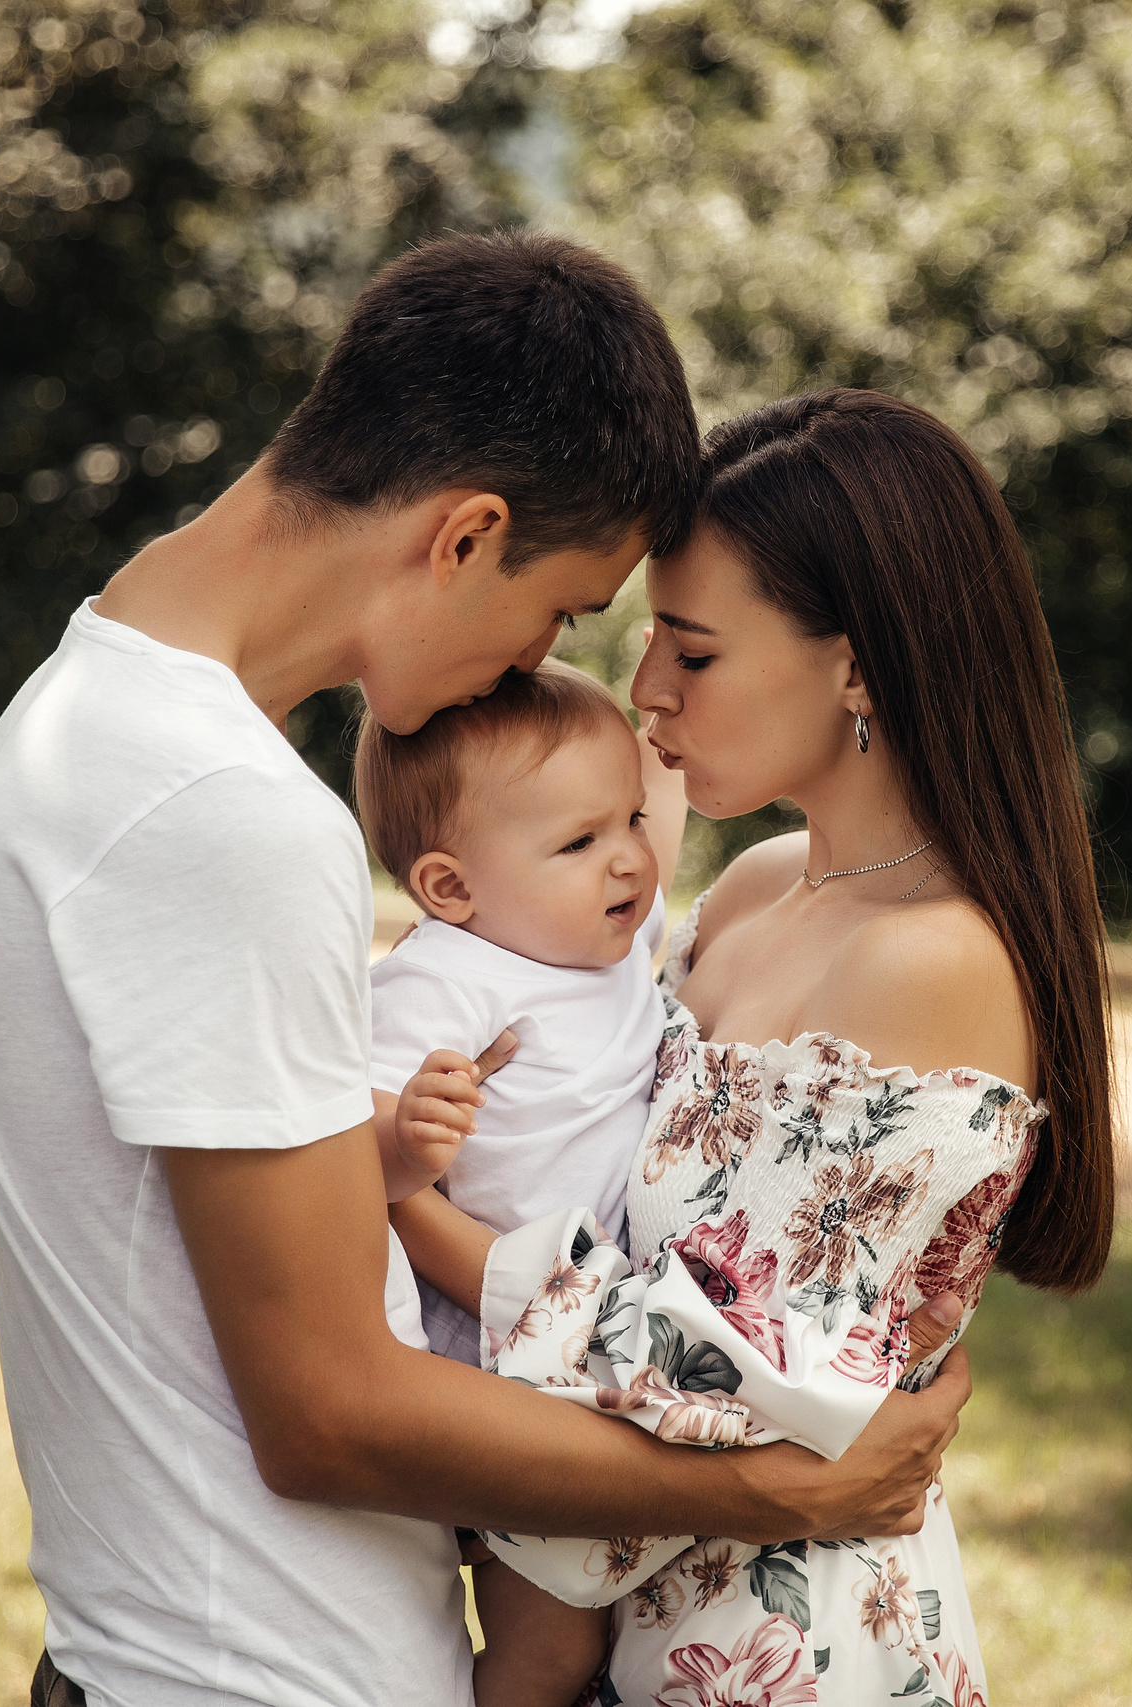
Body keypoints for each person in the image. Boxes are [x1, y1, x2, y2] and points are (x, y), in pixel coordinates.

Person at [0, 239, 975, 1707]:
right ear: (466, 533)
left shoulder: (72, 714)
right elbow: (328, 1416)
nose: (545, 662)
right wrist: (792, 1489)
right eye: (563, 608)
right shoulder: (230, 818)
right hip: (263, 1672)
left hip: (129, 1647)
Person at [391, 388, 1118, 1704]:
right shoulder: (748, 888)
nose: (645, 685)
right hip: (592, 1620)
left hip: (772, 1658)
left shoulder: (933, 960)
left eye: (696, 649)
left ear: (859, 664)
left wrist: (426, 1230)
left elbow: (728, 1381)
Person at [353, 657, 692, 1706]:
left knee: (576, 1644)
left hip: (601, 1342)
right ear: (452, 889)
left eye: (630, 820)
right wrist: (410, 1138)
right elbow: (346, 1155)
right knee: (543, 1648)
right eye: (581, 842)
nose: (630, 860)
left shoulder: (614, 943)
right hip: (502, 1370)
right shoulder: (448, 976)